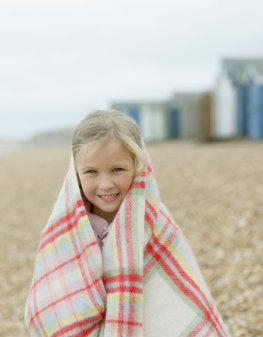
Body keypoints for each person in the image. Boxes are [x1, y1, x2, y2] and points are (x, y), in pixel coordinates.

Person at [24, 110, 230, 337]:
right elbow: (52, 299)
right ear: (75, 174)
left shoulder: (155, 223)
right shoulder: (64, 230)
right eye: (91, 172)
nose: (105, 184)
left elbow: (179, 300)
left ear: (138, 167)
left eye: (117, 170)